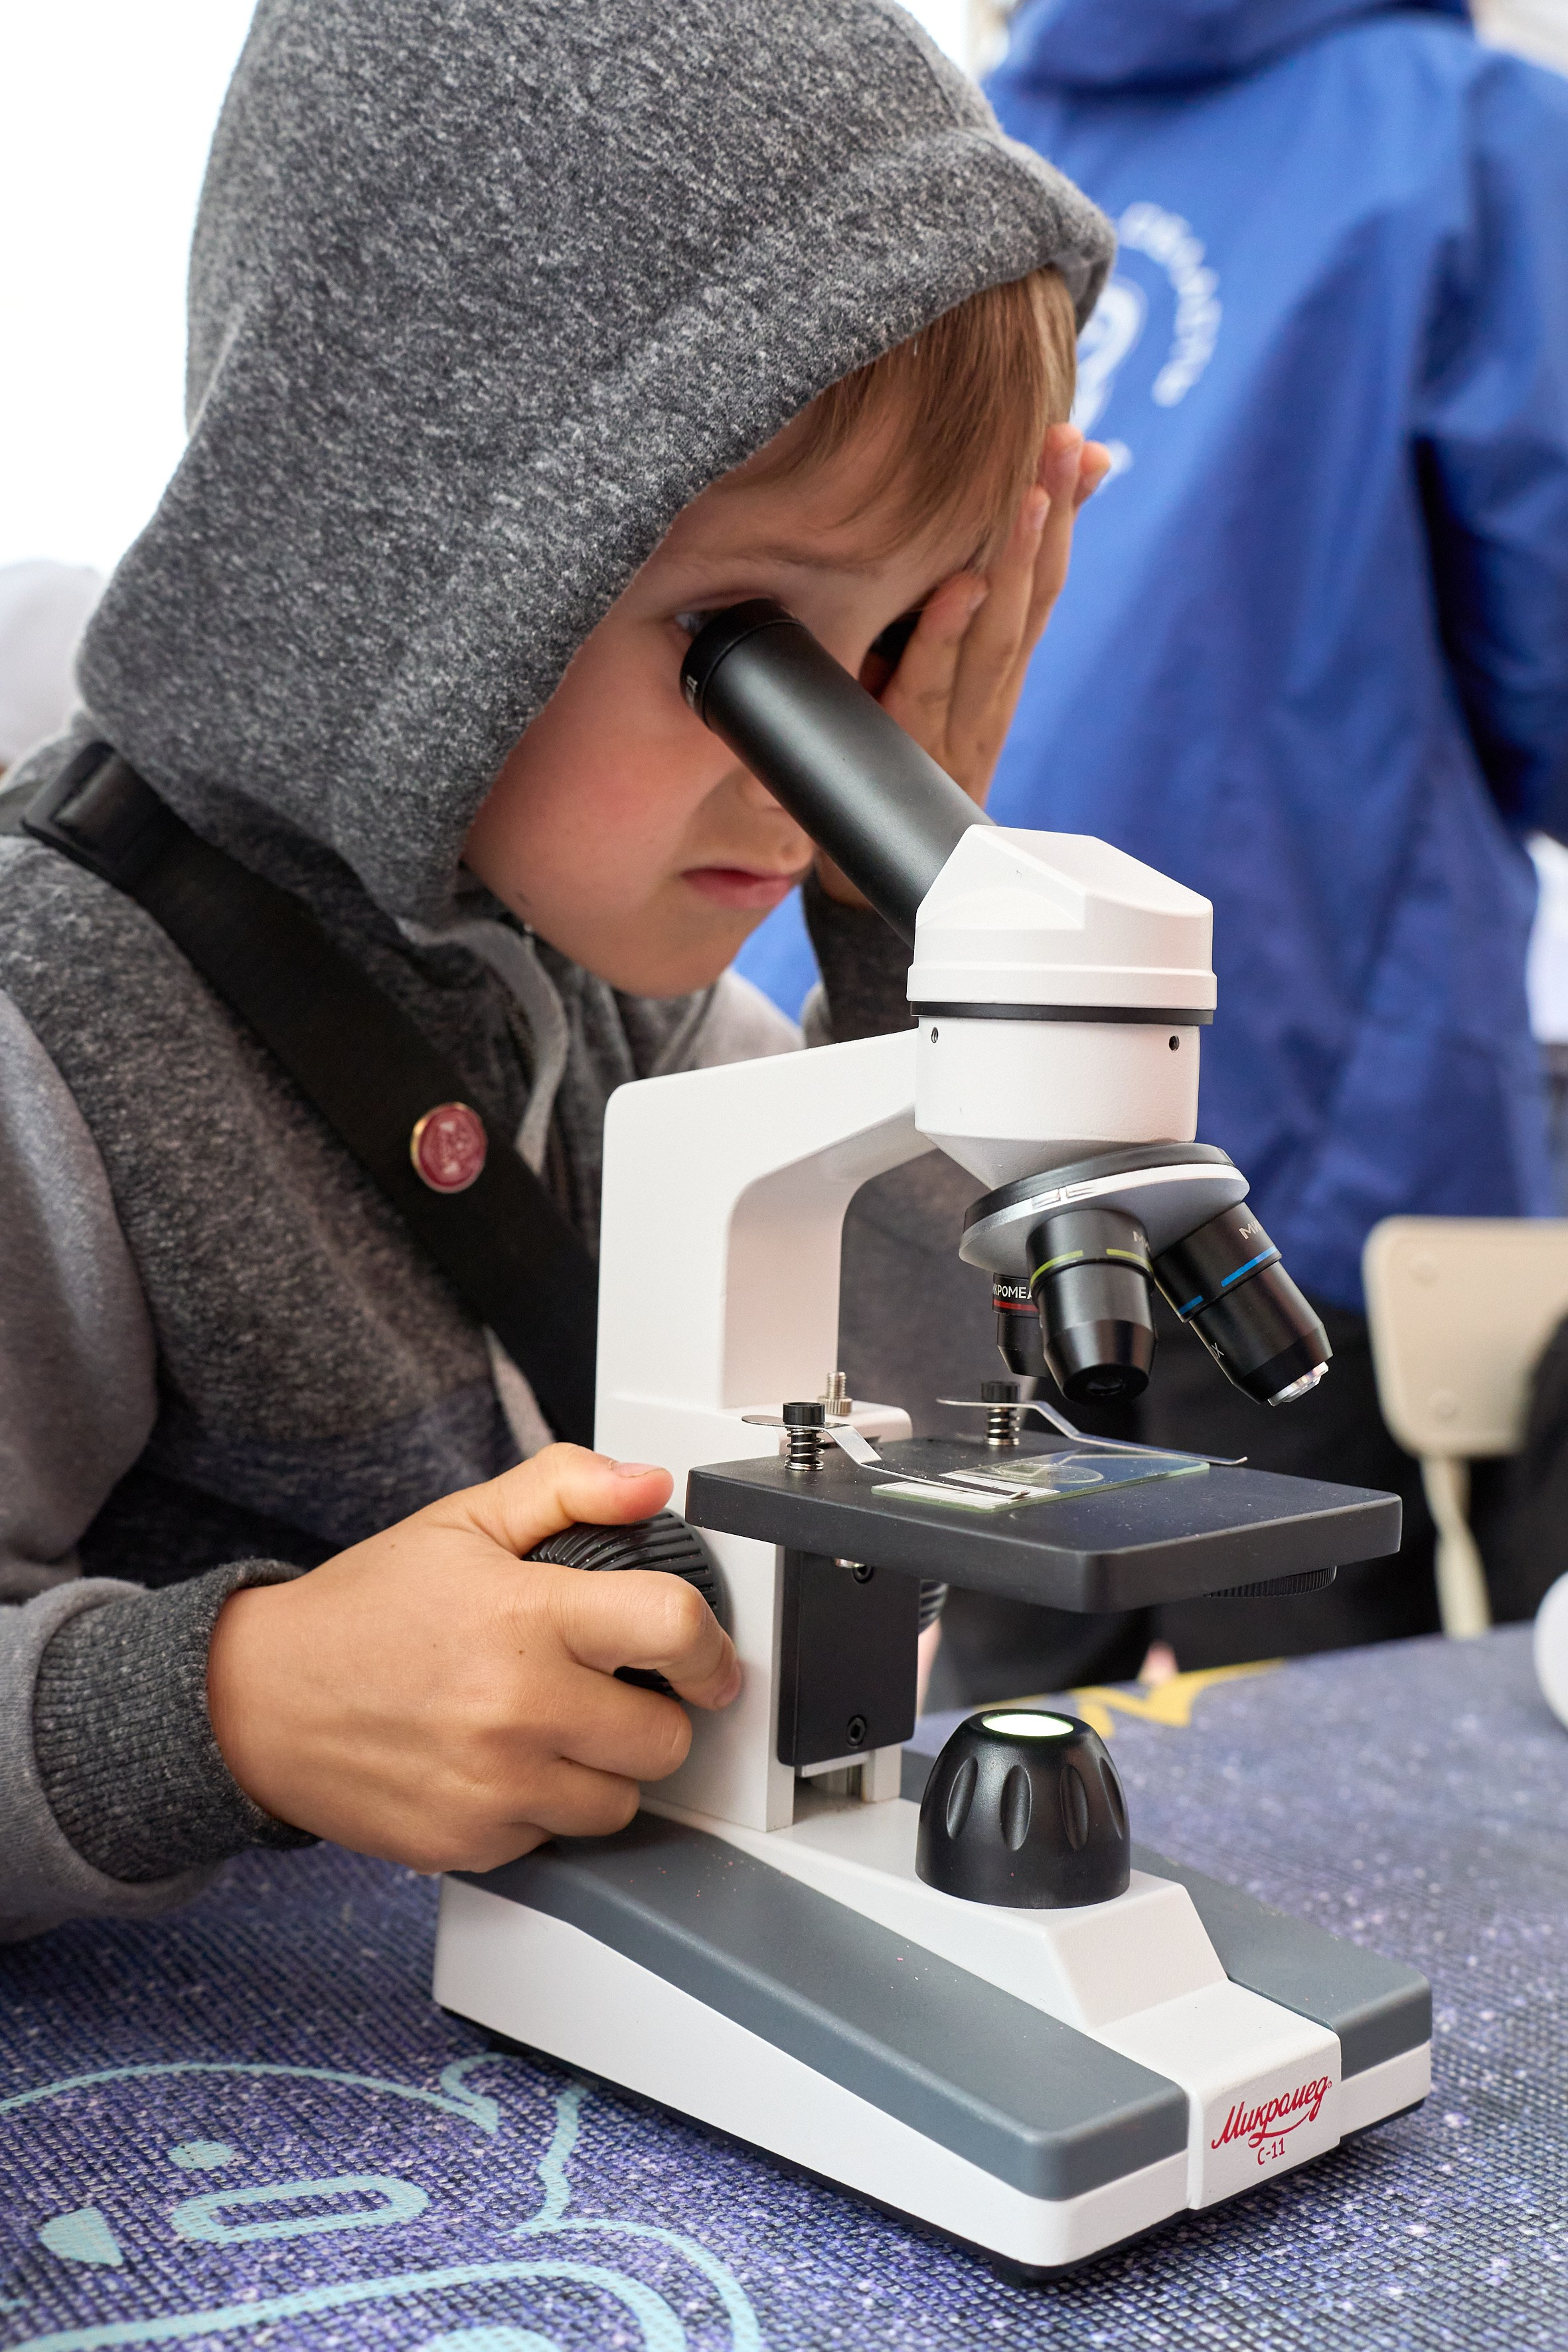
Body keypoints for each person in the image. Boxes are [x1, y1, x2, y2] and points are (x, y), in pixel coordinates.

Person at [0, 0, 1113, 1940]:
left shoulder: (635, 997)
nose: (817, 768)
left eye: (889, 664)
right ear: (406, 560)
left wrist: (900, 938)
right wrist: (224, 1708)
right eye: (744, 643)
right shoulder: (59, 1032)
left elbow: (914, 1480)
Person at [744, 0, 1568, 1703]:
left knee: (934, 1722)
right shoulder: (1468, 144)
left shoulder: (944, 134)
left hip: (899, 1092)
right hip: (1307, 1135)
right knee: (1352, 1757)